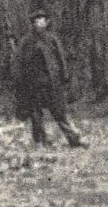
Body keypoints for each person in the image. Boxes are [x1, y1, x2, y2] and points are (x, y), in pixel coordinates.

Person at [13, 11, 86, 147]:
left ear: (47, 23)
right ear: (32, 24)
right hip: (33, 84)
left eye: (42, 20)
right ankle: (41, 141)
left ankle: (74, 139)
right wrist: (21, 82)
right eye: (36, 21)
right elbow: (18, 63)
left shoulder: (52, 40)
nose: (39, 23)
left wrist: (64, 76)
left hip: (52, 83)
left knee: (60, 112)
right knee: (36, 115)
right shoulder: (26, 42)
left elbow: (61, 59)